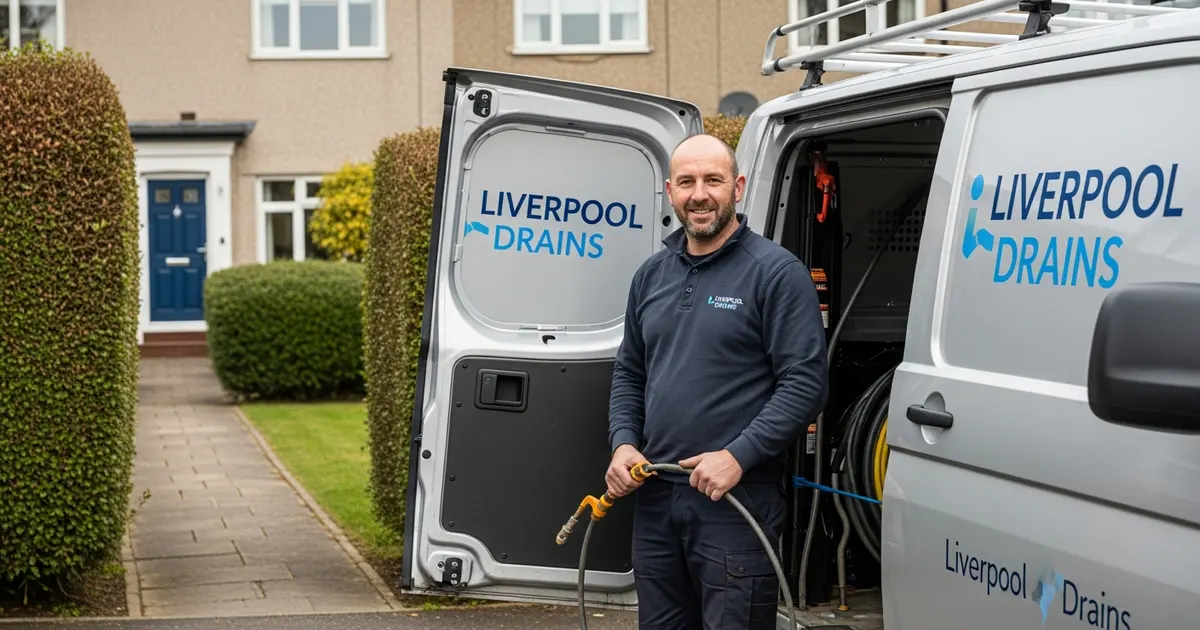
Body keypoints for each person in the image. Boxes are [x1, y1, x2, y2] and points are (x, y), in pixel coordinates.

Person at [605, 134, 829, 629]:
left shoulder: (775, 273)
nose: (700, 194)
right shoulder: (651, 275)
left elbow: (805, 384)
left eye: (713, 180)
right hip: (657, 498)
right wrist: (623, 443)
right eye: (687, 182)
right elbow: (630, 371)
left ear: (738, 187)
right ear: (670, 191)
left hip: (735, 501)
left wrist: (737, 456)